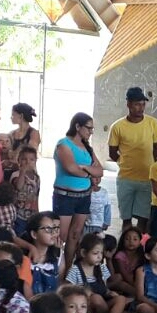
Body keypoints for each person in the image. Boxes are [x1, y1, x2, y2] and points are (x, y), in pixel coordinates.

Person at [108, 87, 157, 230]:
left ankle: (140, 243)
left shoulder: (153, 123)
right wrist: (124, 163)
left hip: (147, 179)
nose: (141, 108)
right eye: (137, 104)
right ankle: (125, 242)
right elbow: (112, 152)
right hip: (125, 179)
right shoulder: (117, 127)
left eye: (143, 104)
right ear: (128, 104)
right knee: (126, 220)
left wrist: (156, 171)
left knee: (143, 220)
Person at [54, 112, 103, 264]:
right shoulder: (64, 144)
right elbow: (71, 168)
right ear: (77, 126)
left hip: (84, 196)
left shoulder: (87, 148)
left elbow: (100, 170)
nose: (91, 132)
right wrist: (89, 172)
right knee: (60, 235)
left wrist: (84, 167)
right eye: (88, 128)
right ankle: (56, 267)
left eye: (92, 129)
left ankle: (69, 267)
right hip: (65, 195)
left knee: (75, 235)